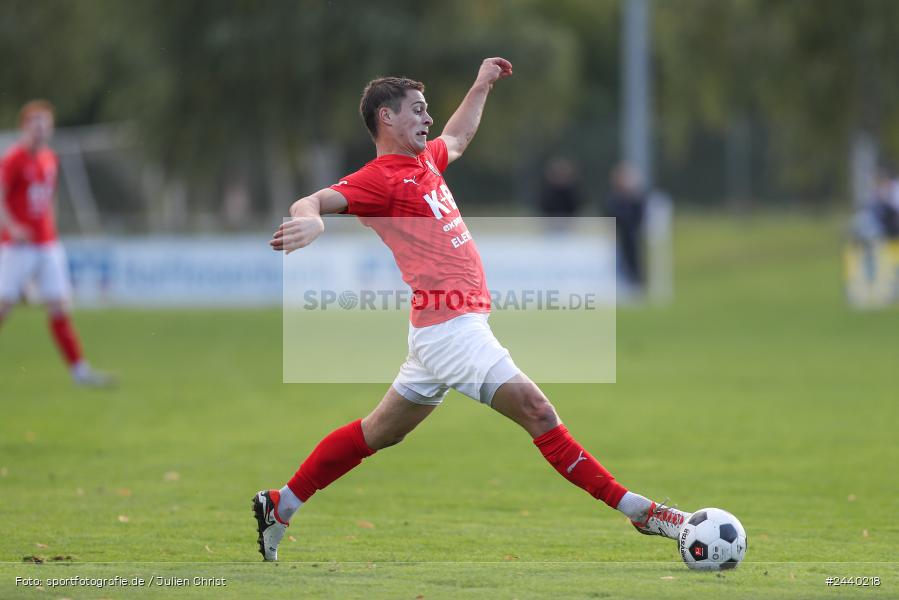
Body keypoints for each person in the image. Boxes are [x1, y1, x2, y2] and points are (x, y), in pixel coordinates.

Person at [256, 58, 690, 561]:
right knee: (538, 411)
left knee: (379, 432)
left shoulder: (426, 162)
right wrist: (311, 221)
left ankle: (279, 504)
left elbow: (458, 137)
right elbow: (312, 200)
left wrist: (481, 85)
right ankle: (641, 512)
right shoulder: (377, 179)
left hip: (439, 331)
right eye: (417, 111)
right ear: (386, 120)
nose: (428, 119)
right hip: (451, 332)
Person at [0, 100, 112, 387]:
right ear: (23, 126)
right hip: (16, 247)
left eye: (45, 122)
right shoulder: (13, 159)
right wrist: (12, 226)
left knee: (60, 306)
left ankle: (80, 372)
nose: (40, 127)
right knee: (3, 308)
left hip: (48, 245)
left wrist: (52, 225)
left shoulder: (50, 158)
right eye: (34, 121)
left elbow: (49, 198)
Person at [606, 162, 647, 291]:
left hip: (633, 236)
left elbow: (640, 216)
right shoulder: (613, 198)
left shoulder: (636, 199)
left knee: (634, 258)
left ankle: (636, 283)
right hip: (616, 237)